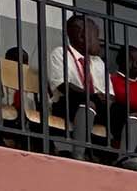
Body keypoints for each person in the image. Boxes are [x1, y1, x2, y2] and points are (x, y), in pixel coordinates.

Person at [46, 15, 107, 149]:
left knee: (126, 114)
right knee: (88, 103)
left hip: (96, 105)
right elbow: (63, 86)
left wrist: (105, 99)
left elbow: (110, 93)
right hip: (67, 103)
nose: (99, 42)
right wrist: (91, 96)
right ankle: (78, 152)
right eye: (96, 37)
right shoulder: (60, 53)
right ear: (80, 36)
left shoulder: (98, 62)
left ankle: (124, 156)